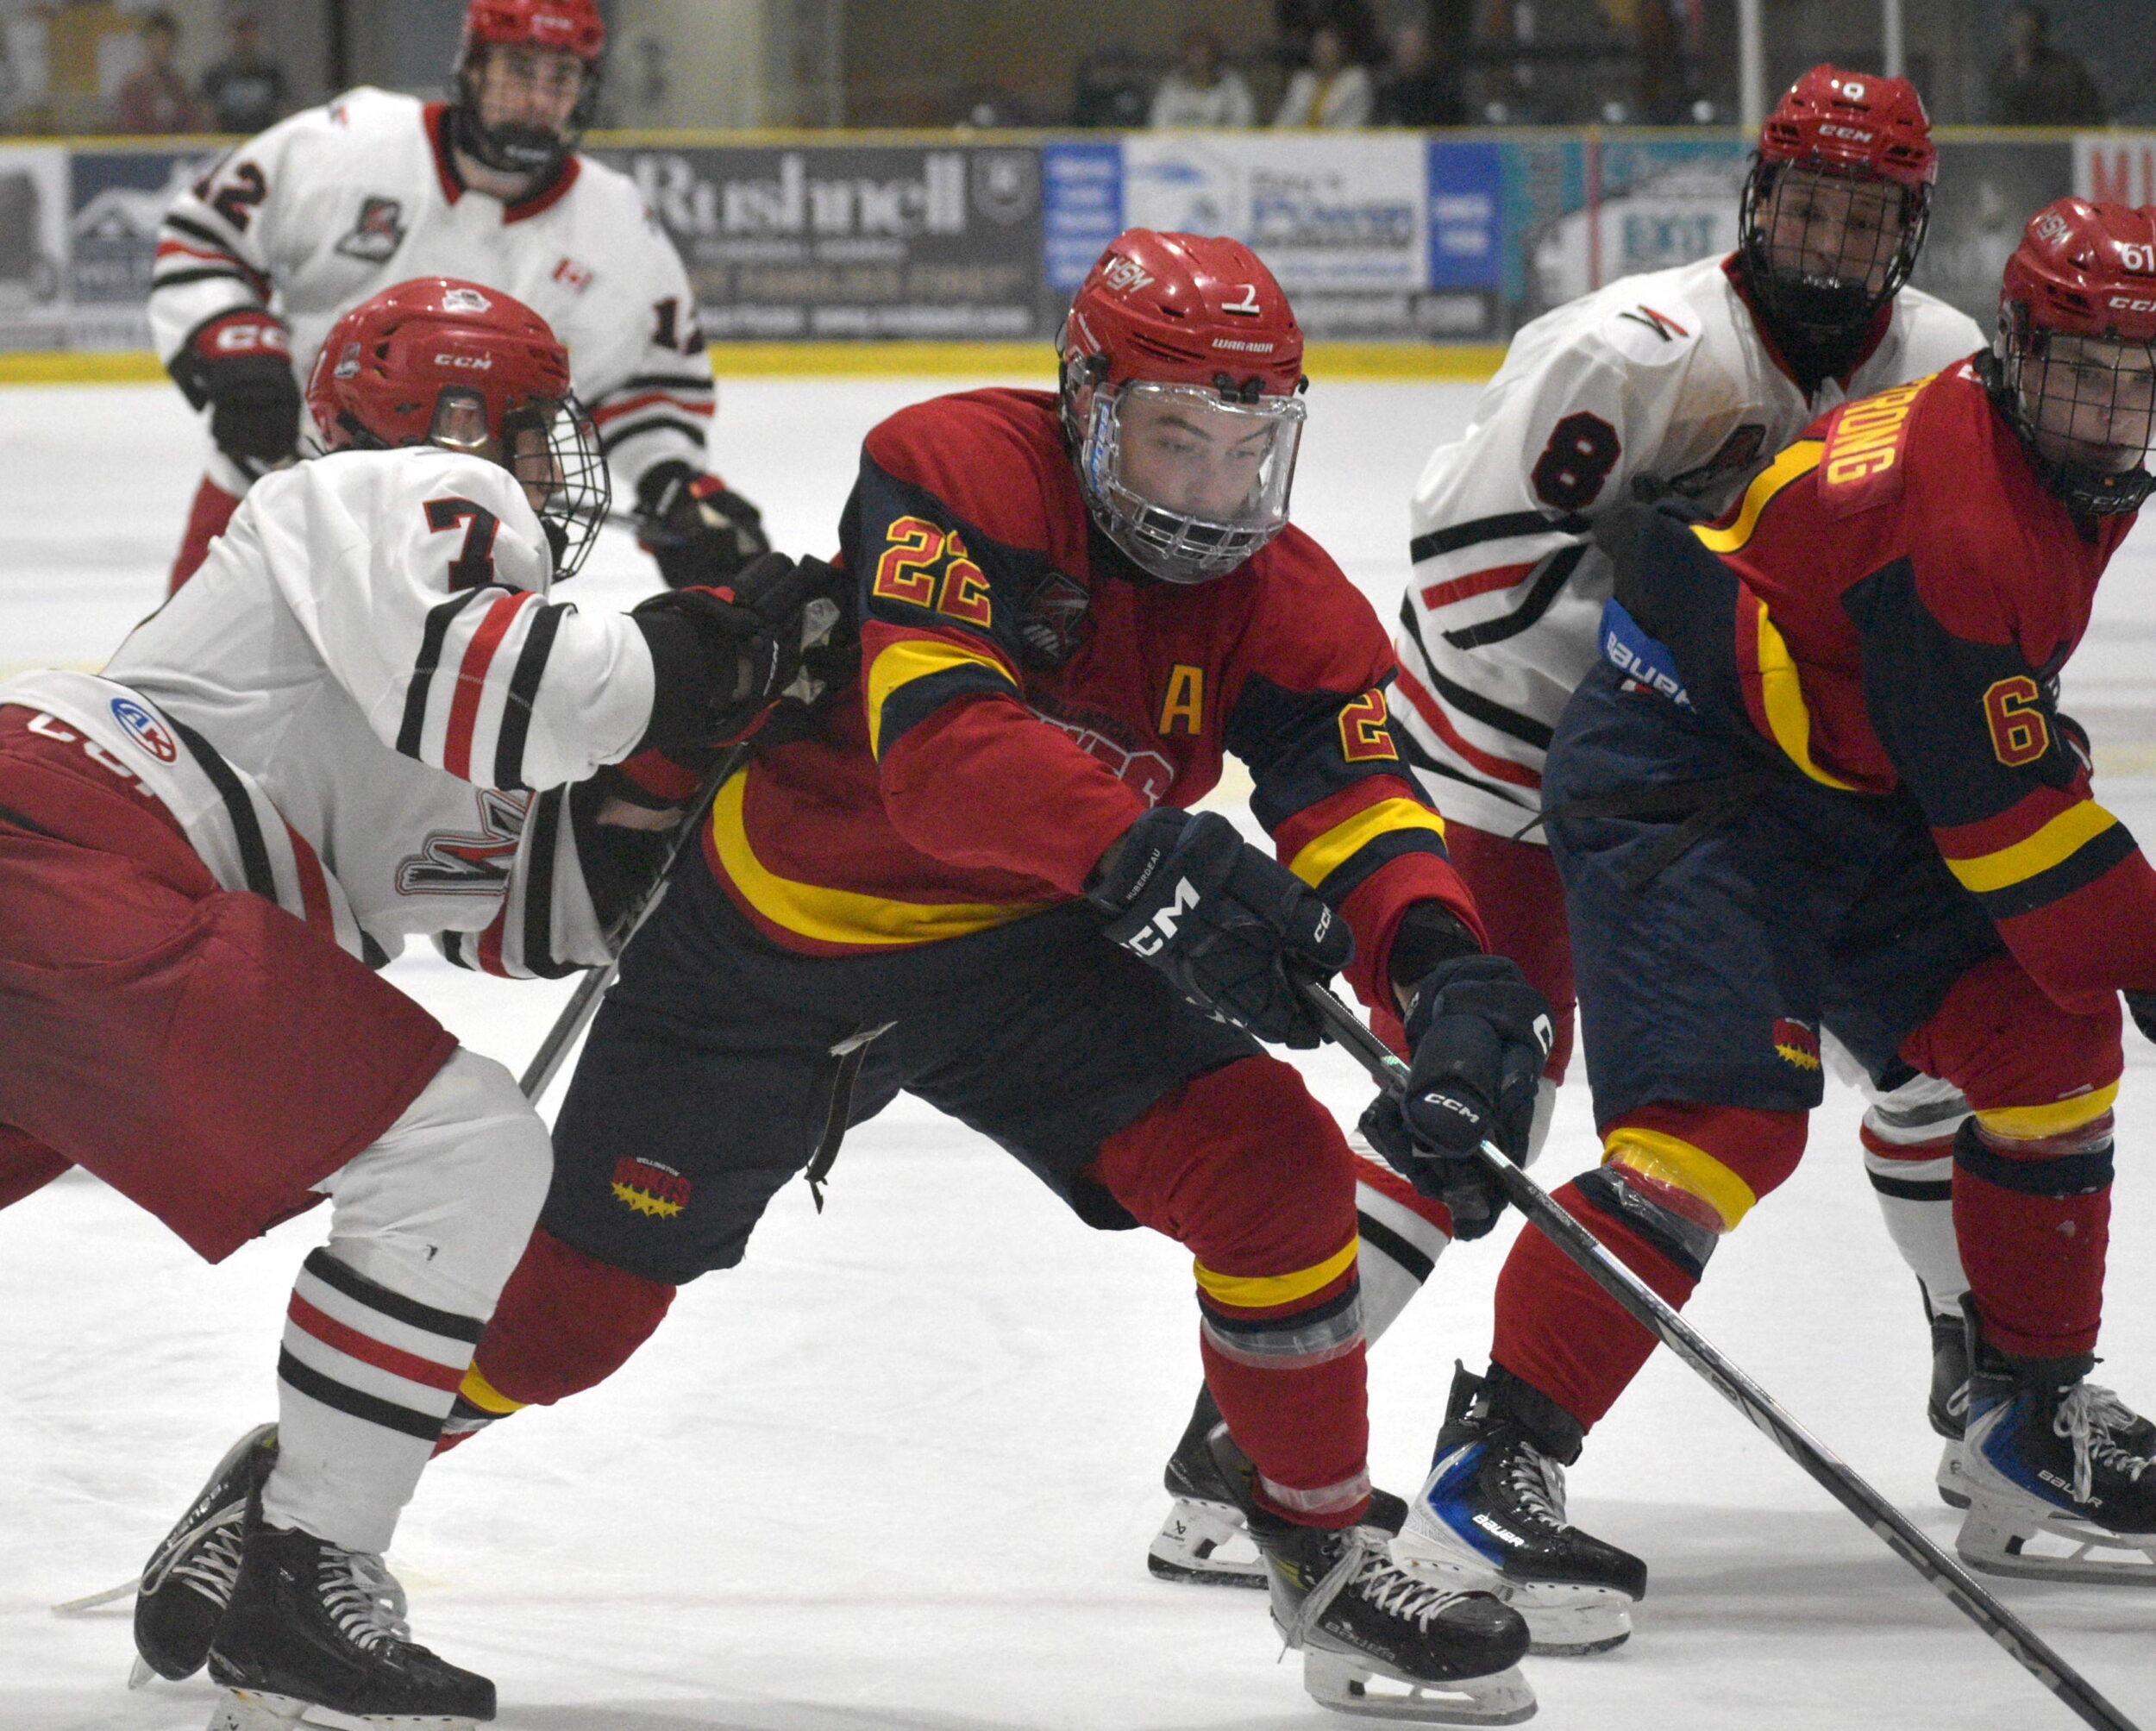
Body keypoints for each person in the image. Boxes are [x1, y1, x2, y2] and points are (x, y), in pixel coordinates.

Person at [146, 229, 1560, 1724]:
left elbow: (1358, 798)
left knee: (1275, 1167)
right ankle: (286, 1496)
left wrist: (1442, 963)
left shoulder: (1284, 594)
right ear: (1087, 402)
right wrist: (1153, 862)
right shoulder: (954, 466)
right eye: (1174, 440)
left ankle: (1326, 1554)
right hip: (765, 951)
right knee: (574, 1319)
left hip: (1024, 954)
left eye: (1246, 449)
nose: (1213, 492)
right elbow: (945, 757)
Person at [0, 277, 828, 1728]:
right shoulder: (388, 495)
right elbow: (515, 688)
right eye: (534, 428)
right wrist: (710, 652)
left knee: (452, 1139)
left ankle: (293, 1564)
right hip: (83, 858)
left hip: (71, 891)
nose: (553, 470)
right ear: (452, 420)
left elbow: (524, 904)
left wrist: (679, 774)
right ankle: (302, 1575)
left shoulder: (392, 641)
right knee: (465, 1147)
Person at [1395, 196, 2156, 1642]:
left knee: (2049, 1042)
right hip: (1690, 780)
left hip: (1844, 784)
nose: (2111, 411)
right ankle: (1488, 1471)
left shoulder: (2050, 463)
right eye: (2084, 372)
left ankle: (2028, 1423)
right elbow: (2019, 844)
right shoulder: (1961, 511)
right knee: (1720, 1126)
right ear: (2015, 349)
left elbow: (1984, 746)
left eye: (2140, 379)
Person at [1363, 71, 1992, 1627]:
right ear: (1756, 202)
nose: (1831, 244)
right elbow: (1470, 591)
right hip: (1513, 761)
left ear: (1910, 231)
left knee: (1943, 1054)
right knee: (1479, 1104)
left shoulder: (1946, 367)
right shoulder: (1630, 352)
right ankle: (1240, 1439)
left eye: (1865, 219)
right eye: (1808, 208)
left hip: (1749, 783)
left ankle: (1988, 1371)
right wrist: (1708, 653)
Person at [151, 0, 767, 595]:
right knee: (193, 669)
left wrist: (671, 482)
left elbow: (649, 385)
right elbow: (205, 235)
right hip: (280, 488)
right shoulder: (352, 142)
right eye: (519, 70)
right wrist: (239, 350)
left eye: (562, 77)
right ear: (472, 67)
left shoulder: (619, 227)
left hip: (473, 537)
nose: (538, 99)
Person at [1987, 2, 2104, 126]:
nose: (2023, 37)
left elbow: (2089, 115)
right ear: (2007, 32)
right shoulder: (1999, 73)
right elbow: (1991, 115)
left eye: (2029, 31)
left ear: (2041, 33)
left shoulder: (2065, 72)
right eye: (2017, 30)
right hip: (2007, 138)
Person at [113, 9, 208, 135]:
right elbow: (130, 128)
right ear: (146, 42)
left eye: (166, 42)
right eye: (156, 41)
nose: (161, 48)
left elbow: (190, 124)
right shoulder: (132, 87)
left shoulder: (180, 87)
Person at [200, 6, 291, 135]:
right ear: (230, 34)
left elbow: (285, 110)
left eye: (250, 30)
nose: (245, 37)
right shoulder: (215, 75)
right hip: (227, 141)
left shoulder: (272, 74)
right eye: (240, 31)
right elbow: (206, 115)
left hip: (264, 140)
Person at [1149, 28, 1256, 129]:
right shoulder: (1171, 84)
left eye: (1204, 50)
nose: (1199, 56)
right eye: (1193, 51)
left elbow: (1245, 121)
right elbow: (1158, 123)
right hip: (1180, 142)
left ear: (1215, 54)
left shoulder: (1233, 84)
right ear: (1184, 54)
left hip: (1224, 142)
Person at [1274, 25, 1374, 129]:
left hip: (1339, 137)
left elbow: (1353, 123)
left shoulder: (1355, 81)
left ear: (1341, 49)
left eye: (1328, 46)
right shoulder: (1302, 81)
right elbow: (1287, 117)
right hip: (1299, 137)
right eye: (1319, 47)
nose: (1323, 52)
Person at [1374, 22, 1465, 128]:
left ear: (1427, 50)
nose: (1409, 53)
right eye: (1405, 47)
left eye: (1415, 47)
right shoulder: (1387, 90)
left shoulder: (1445, 91)